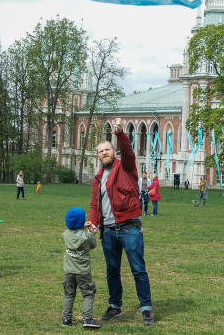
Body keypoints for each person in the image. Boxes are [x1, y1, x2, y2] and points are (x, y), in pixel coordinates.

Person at [88, 117, 154, 326]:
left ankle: (146, 309)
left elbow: (128, 151)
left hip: (130, 228)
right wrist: (92, 221)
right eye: (100, 151)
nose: (104, 153)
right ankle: (115, 306)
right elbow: (94, 205)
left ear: (113, 152)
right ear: (98, 156)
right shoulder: (97, 178)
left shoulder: (126, 167)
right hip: (108, 231)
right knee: (112, 271)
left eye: (107, 149)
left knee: (138, 269)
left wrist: (119, 133)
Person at [61, 206, 101, 329]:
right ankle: (87, 319)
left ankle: (66, 319)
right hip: (83, 272)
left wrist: (82, 226)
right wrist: (92, 232)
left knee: (69, 294)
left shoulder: (66, 234)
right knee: (88, 293)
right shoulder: (87, 237)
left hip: (68, 271)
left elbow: (73, 231)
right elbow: (93, 244)